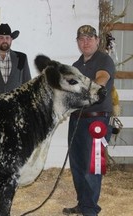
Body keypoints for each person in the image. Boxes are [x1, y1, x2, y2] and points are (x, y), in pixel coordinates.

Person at [63, 25, 115, 216]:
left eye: (89, 38)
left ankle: (90, 210)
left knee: (93, 166)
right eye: (82, 39)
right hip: (76, 119)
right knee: (77, 165)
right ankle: (83, 204)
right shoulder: (76, 66)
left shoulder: (104, 60)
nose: (86, 42)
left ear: (97, 40)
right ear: (77, 42)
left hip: (97, 121)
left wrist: (90, 87)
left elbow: (102, 77)